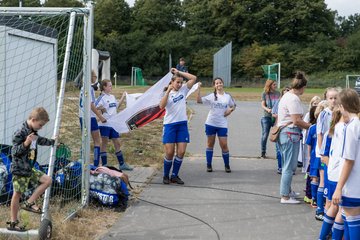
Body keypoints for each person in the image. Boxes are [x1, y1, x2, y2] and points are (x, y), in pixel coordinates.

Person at [8, 107, 55, 231]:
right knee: (17, 194)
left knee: (47, 180)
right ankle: (13, 223)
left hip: (29, 168)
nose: (41, 127)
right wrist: (25, 144)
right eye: (40, 125)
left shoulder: (33, 132)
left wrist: (52, 142)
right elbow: (14, 152)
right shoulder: (20, 133)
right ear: (33, 120)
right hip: (19, 170)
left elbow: (39, 140)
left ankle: (29, 202)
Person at [277, 71, 310, 204]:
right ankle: (285, 196)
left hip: (285, 133)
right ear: (302, 87)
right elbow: (296, 120)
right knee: (289, 167)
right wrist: (311, 127)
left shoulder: (287, 96)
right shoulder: (293, 98)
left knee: (287, 165)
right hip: (290, 133)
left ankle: (288, 191)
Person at [159, 68, 197, 185]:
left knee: (181, 152)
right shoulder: (166, 93)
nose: (180, 84)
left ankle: (174, 176)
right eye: (177, 82)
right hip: (170, 125)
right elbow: (161, 106)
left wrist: (179, 72)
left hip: (182, 125)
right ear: (172, 82)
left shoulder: (184, 90)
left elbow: (193, 78)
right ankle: (165, 175)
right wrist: (167, 92)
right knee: (170, 153)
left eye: (181, 82)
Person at [332, 89, 360, 240]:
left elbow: (349, 160)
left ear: (343, 106)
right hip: (356, 183)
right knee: (348, 219)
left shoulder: (351, 127)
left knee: (352, 221)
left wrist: (338, 187)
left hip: (352, 185)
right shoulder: (357, 124)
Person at [196, 78, 236, 173]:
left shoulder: (227, 96)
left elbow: (233, 105)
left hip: (222, 124)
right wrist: (198, 89)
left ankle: (227, 165)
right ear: (214, 85)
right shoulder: (211, 96)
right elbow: (198, 101)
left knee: (224, 145)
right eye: (217, 83)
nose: (219, 84)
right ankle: (209, 165)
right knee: (210, 144)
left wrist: (229, 111)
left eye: (220, 82)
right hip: (211, 123)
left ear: (223, 84)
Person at [318, 107, 344, 239]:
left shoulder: (333, 131)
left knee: (335, 207)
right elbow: (324, 155)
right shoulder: (342, 130)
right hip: (339, 175)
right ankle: (334, 235)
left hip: (333, 174)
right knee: (341, 209)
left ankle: (323, 236)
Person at [95, 79, 133, 171]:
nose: (111, 87)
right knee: (104, 144)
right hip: (105, 124)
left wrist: (123, 97)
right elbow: (94, 106)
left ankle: (122, 164)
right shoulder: (101, 97)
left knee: (117, 143)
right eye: (110, 86)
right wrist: (101, 109)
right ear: (104, 87)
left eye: (111, 86)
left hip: (113, 124)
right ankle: (104, 165)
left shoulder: (112, 96)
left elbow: (116, 107)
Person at [316, 87, 340, 221]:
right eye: (331, 98)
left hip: (335, 153)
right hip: (325, 152)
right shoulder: (324, 114)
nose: (333, 100)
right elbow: (319, 134)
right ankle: (321, 209)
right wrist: (321, 153)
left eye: (336, 98)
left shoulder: (341, 113)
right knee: (324, 181)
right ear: (326, 99)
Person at [79, 70, 106, 167]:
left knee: (84, 140)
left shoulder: (83, 87)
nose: (96, 78)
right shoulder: (89, 88)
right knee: (97, 141)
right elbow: (90, 104)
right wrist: (100, 116)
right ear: (91, 77)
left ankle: (82, 161)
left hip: (82, 116)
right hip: (90, 117)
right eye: (95, 76)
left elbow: (88, 104)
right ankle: (96, 164)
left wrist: (99, 108)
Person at [271, 86, 291, 174]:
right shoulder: (279, 102)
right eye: (285, 92)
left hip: (289, 127)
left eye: (288, 92)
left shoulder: (292, 102)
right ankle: (280, 166)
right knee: (279, 149)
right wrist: (281, 116)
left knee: (288, 149)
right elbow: (273, 113)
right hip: (279, 126)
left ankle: (287, 167)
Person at [260, 79, 280, 158]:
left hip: (276, 117)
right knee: (265, 135)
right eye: (274, 85)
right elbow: (263, 105)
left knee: (277, 135)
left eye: (276, 84)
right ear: (270, 85)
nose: (275, 86)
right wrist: (268, 109)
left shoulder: (278, 93)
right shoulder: (265, 94)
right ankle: (263, 152)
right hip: (267, 117)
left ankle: (278, 153)